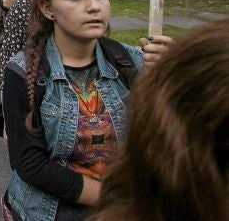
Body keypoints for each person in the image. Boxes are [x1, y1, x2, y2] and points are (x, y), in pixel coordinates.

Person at [2, 0, 170, 221]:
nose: (94, 6)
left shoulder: (132, 62)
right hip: (48, 212)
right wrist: (115, 197)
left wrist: (175, 75)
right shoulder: (23, 71)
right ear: (47, 7)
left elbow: (168, 140)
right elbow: (30, 164)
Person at [90, 21, 229, 221]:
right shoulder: (32, 71)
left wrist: (174, 67)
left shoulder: (130, 59)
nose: (93, 6)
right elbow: (34, 163)